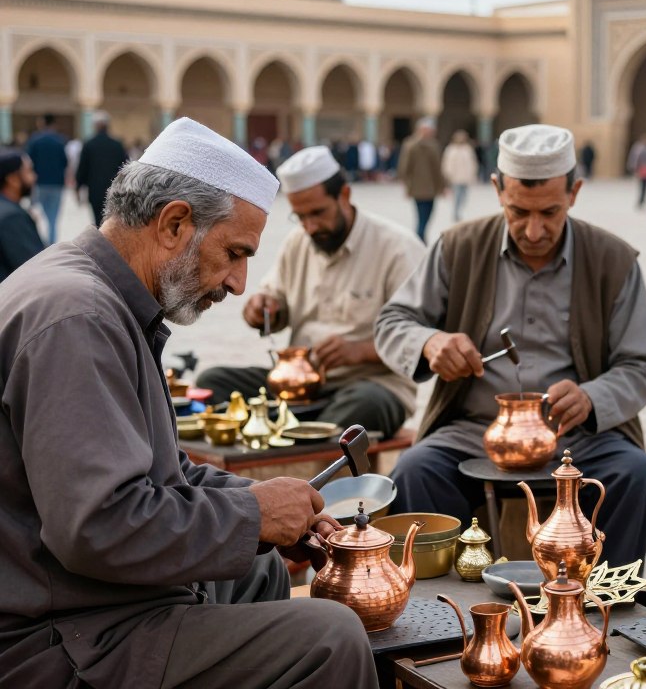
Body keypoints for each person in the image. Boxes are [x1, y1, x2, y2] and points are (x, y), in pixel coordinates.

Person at [0, 118, 376, 687]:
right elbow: (99, 527)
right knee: (330, 638)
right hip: (61, 635)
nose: (240, 283)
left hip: (87, 601)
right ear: (174, 223)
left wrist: (260, 501)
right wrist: (253, 516)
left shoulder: (101, 295)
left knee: (258, 569)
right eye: (234, 253)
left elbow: (160, 479)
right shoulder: (77, 318)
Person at [375, 123, 646, 568]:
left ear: (575, 192)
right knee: (414, 472)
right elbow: (393, 321)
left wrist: (592, 397)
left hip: (575, 437)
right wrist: (430, 342)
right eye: (518, 212)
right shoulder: (459, 247)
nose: (533, 231)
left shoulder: (612, 260)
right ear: (497, 189)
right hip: (473, 429)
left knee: (638, 476)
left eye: (549, 213)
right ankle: (448, 614)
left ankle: (605, 604)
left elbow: (641, 365)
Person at [197, 145, 424, 439]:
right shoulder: (298, 242)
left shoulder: (397, 248)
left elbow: (422, 339)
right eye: (301, 217)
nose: (311, 226)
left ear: (344, 196)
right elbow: (273, 297)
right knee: (211, 382)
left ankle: (294, 437)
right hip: (299, 383)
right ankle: (296, 432)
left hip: (369, 385)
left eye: (318, 213)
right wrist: (262, 309)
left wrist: (360, 351)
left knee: (365, 406)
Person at [76, 111, 129, 226]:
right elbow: (126, 167)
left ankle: (101, 240)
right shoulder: (117, 145)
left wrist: (78, 187)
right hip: (114, 189)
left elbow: (82, 168)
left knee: (98, 219)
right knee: (111, 220)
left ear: (95, 126)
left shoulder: (89, 144)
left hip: (95, 190)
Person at [398, 117, 445, 241]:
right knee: (423, 218)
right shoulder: (414, 145)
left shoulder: (427, 144)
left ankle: (420, 240)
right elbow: (405, 167)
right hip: (422, 188)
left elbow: (437, 169)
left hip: (427, 188)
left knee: (425, 217)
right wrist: (407, 186)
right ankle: (419, 240)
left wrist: (442, 187)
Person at [0, 149, 44, 281]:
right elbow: (34, 267)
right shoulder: (11, 217)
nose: (34, 177)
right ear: (13, 179)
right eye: (29, 171)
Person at [25, 113, 68, 245]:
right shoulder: (60, 141)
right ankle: (51, 244)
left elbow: (28, 162)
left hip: (38, 184)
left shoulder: (35, 140)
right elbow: (65, 162)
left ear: (42, 123)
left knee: (35, 215)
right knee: (53, 218)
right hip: (56, 184)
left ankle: (37, 244)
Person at [442, 129, 478, 222]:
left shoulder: (468, 149)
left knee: (464, 196)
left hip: (465, 177)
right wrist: (448, 174)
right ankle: (456, 212)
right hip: (455, 177)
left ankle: (459, 210)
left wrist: (473, 174)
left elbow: (472, 162)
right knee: (457, 195)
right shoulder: (451, 149)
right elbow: (447, 163)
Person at [626, 134, 646, 210]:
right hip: (643, 169)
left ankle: (642, 201)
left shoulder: (643, 149)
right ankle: (642, 201)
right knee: (643, 186)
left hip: (644, 169)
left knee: (644, 186)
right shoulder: (643, 149)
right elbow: (635, 159)